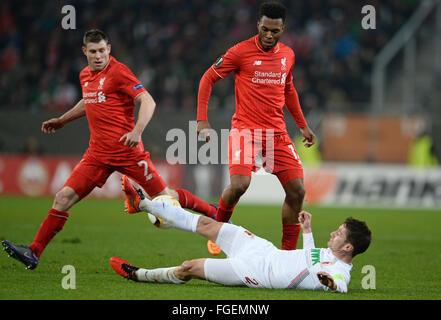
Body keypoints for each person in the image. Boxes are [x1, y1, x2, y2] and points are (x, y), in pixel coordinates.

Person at [2, 29, 217, 270]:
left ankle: (213, 213)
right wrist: (63, 119)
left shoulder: (118, 72)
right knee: (63, 198)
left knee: (167, 199)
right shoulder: (85, 76)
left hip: (128, 152)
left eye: (102, 50)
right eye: (93, 51)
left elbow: (148, 100)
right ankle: (33, 252)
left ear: (109, 49)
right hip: (97, 155)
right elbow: (90, 99)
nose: (98, 56)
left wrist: (137, 131)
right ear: (85, 52)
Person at [196, 2, 316, 255]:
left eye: (275, 30)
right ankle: (219, 229)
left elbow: (289, 90)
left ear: (283, 28)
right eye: (265, 29)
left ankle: (286, 255)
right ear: (257, 26)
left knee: (297, 192)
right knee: (239, 185)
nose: (269, 35)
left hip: (277, 134)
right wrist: (202, 120)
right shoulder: (240, 52)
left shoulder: (288, 55)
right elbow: (208, 77)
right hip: (245, 131)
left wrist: (302, 125)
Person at [110, 181, 371, 293]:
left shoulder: (340, 272)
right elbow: (311, 260)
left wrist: (332, 285)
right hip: (262, 248)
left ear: (348, 247)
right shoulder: (328, 255)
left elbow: (341, 282)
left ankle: (139, 274)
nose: (333, 233)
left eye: (339, 234)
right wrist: (307, 232)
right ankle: (143, 204)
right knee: (206, 224)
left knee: (189, 268)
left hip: (255, 272)